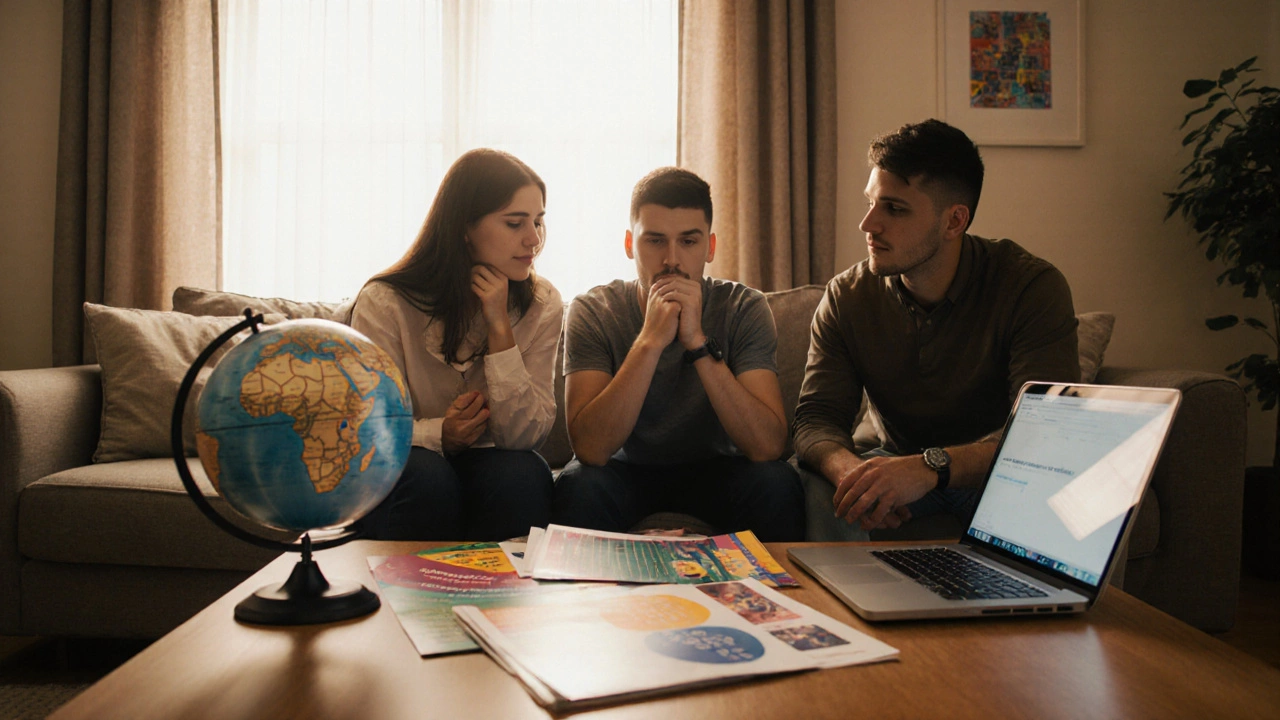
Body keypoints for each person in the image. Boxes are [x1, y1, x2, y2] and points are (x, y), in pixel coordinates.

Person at [792, 119, 1080, 540]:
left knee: (1062, 490)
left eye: (894, 208)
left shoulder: (1029, 287)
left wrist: (929, 467)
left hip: (998, 475)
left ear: (954, 221)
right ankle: (842, 585)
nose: (868, 224)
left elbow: (1045, 431)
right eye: (870, 202)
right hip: (895, 465)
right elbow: (816, 418)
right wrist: (850, 473)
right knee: (814, 482)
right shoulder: (847, 296)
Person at [552, 167, 804, 541]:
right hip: (624, 470)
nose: (672, 260)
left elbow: (767, 445)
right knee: (579, 485)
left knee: (777, 482)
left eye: (688, 241)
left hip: (719, 469)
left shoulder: (743, 307)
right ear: (629, 244)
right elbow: (590, 448)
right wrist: (649, 342)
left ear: (710, 247)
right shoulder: (593, 310)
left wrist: (698, 343)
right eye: (655, 241)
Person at [350, 148, 561, 541]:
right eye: (515, 223)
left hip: (491, 460)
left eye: (537, 221)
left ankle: (507, 584)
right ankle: (412, 582)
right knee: (429, 478)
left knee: (524, 474)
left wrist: (499, 326)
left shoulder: (543, 302)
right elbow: (371, 425)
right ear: (465, 227)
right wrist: (440, 434)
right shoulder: (385, 302)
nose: (533, 239)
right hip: (408, 459)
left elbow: (523, 437)